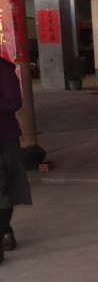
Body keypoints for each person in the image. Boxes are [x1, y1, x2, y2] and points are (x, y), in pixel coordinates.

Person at [0, 56, 32, 264]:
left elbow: (14, 102)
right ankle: (5, 231)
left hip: (3, 139)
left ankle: (3, 231)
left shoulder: (3, 69)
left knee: (4, 190)